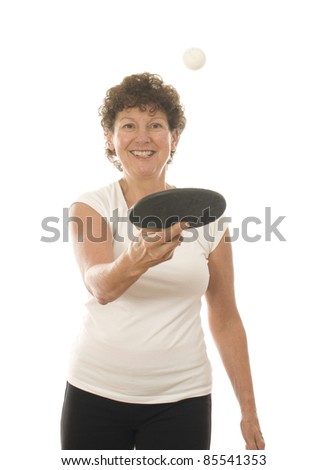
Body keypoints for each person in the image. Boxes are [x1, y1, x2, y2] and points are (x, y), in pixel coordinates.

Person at [60, 72, 265, 450]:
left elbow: (225, 316)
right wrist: (138, 256)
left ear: (174, 138)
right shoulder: (91, 206)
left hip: (182, 398)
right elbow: (99, 286)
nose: (143, 137)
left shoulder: (210, 219)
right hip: (95, 391)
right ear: (111, 138)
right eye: (129, 126)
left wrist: (248, 410)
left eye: (156, 125)